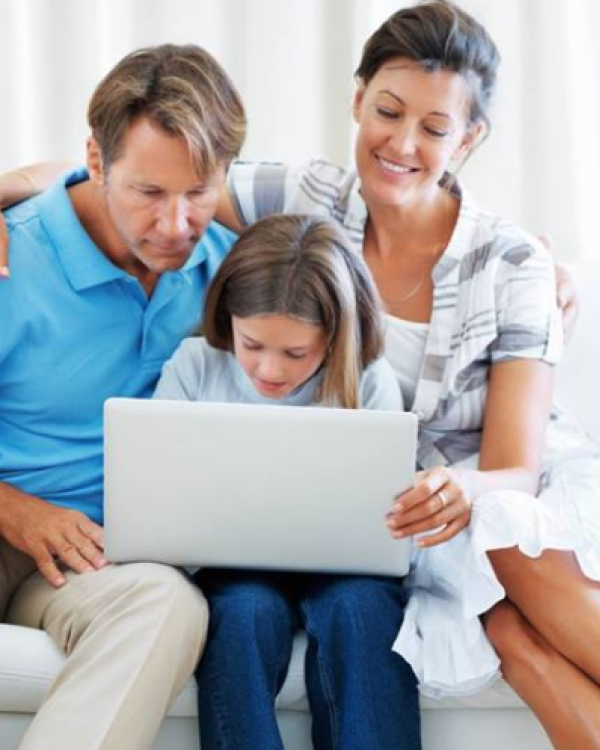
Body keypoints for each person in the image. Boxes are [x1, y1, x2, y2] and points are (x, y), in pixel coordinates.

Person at [206, 3, 599, 747]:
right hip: (412, 520)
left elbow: (514, 467)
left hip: (501, 491)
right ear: (357, 99)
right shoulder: (306, 200)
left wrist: (468, 488)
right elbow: (153, 176)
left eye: (435, 128)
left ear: (470, 138)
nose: (402, 144)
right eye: (387, 112)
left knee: (502, 535)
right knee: (513, 639)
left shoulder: (512, 262)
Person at [0, 43, 245, 749]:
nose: (176, 227)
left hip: (92, 561)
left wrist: (540, 270)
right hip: (5, 520)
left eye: (198, 193)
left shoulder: (231, 274)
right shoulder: (14, 254)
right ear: (98, 162)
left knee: (168, 605)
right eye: (148, 193)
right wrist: (18, 512)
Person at [153, 212, 420, 750]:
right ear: (228, 319)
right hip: (231, 568)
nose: (270, 371)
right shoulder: (194, 366)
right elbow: (160, 495)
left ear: (337, 337)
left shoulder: (368, 381)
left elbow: (387, 525)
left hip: (348, 570)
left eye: (296, 353)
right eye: (252, 344)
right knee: (241, 611)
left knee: (363, 609)